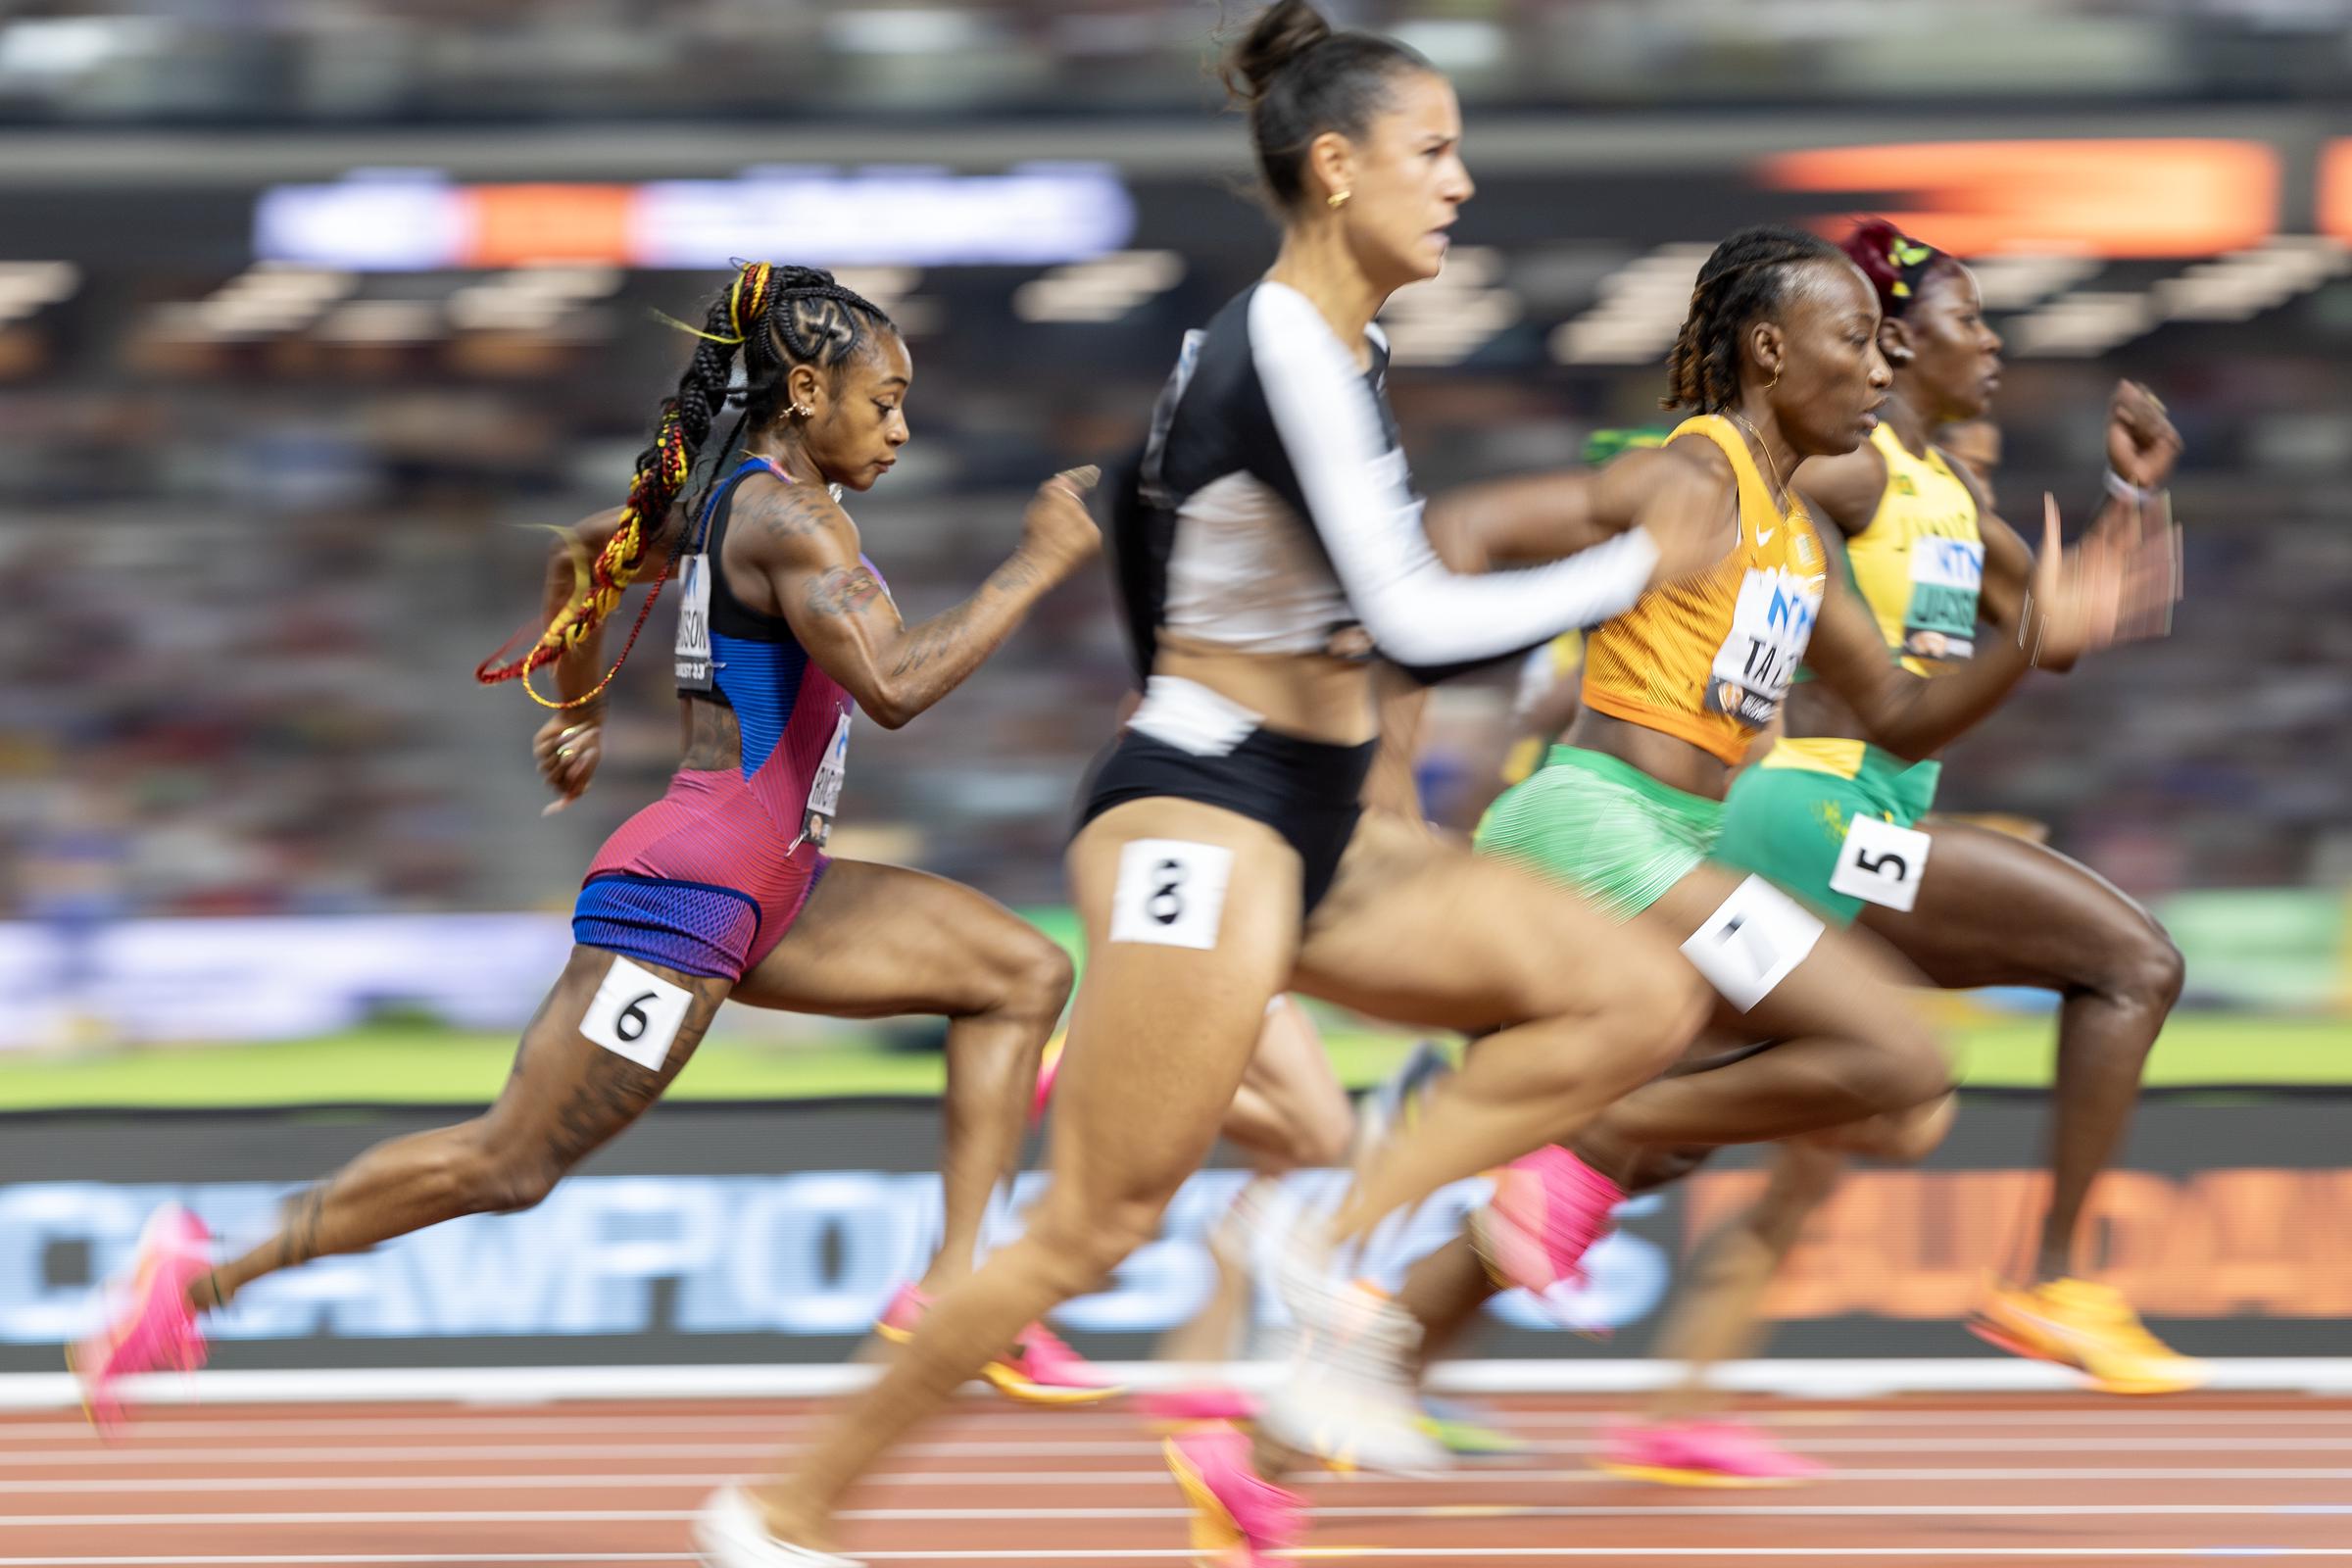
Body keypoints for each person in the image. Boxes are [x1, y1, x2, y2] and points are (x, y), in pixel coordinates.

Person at [695, 6, 1728, 1560]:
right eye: (1432, 151)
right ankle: (777, 1508)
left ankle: (1330, 1230)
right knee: (1095, 1228)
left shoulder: (1314, 352)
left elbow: (1156, 520)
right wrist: (1637, 564)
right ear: (1335, 165)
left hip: (1305, 817)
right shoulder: (1278, 349)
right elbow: (1412, 619)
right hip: (1204, 816)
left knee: (1639, 1000)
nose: (1459, 183)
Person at [1168, 215, 2180, 1559]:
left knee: (1878, 1101)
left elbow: (1900, 715)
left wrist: (2036, 636)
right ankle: (1561, 1138)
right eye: (1851, 347)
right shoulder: (1695, 477)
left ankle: (1277, 1444)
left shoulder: (1793, 537)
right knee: (1882, 1054)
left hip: (1678, 846)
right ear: (1769, 352)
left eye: (1887, 353)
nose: (1876, 375)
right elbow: (1462, 529)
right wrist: (1392, 770)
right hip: (1602, 829)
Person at [73, 262, 1111, 1430]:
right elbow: (896, 685)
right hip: (695, 894)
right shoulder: (792, 519)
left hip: (779, 880)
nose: (905, 428)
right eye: (887, 401)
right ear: (809, 391)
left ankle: (958, 1289)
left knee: (1023, 972)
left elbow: (584, 555)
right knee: (508, 1165)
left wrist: (578, 705)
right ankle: (193, 1282)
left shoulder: (734, 498)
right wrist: (1038, 561)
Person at [1591, 220, 2196, 1483]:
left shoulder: (1954, 498)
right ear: (1897, 341)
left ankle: (1654, 1359)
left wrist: (2133, 501)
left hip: (1861, 823)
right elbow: (1717, 497)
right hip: (1806, 811)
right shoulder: (1850, 474)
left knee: (1859, 1117)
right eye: (1971, 321)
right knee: (2131, 960)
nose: (1995, 346)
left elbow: (2057, 628)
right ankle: (2059, 1278)